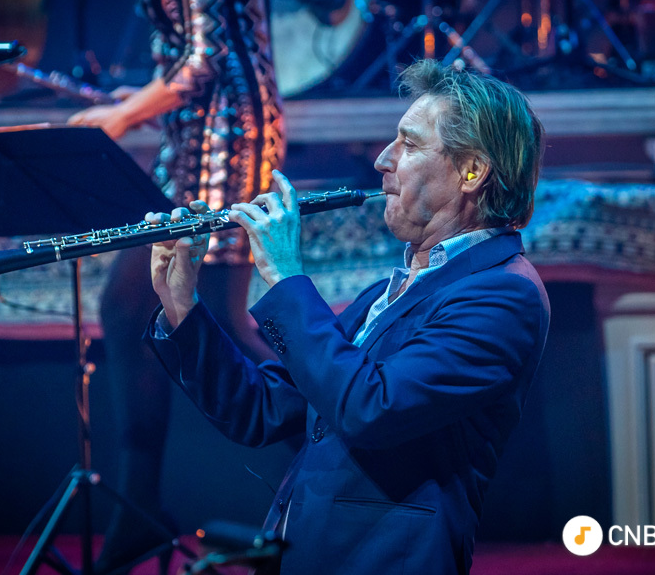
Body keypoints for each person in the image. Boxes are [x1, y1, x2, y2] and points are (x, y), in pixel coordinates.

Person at [144, 59, 550, 574]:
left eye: (409, 145)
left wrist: (285, 276)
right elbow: (261, 408)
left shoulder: (503, 294)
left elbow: (370, 409)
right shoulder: (392, 290)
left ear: (471, 171)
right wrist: (182, 304)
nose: (382, 159)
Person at [67, 0, 285, 572]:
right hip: (200, 130)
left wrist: (124, 114)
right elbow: (198, 49)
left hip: (225, 136)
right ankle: (139, 509)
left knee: (182, 314)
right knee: (140, 310)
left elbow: (206, 57)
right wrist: (140, 99)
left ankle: (343, 444)